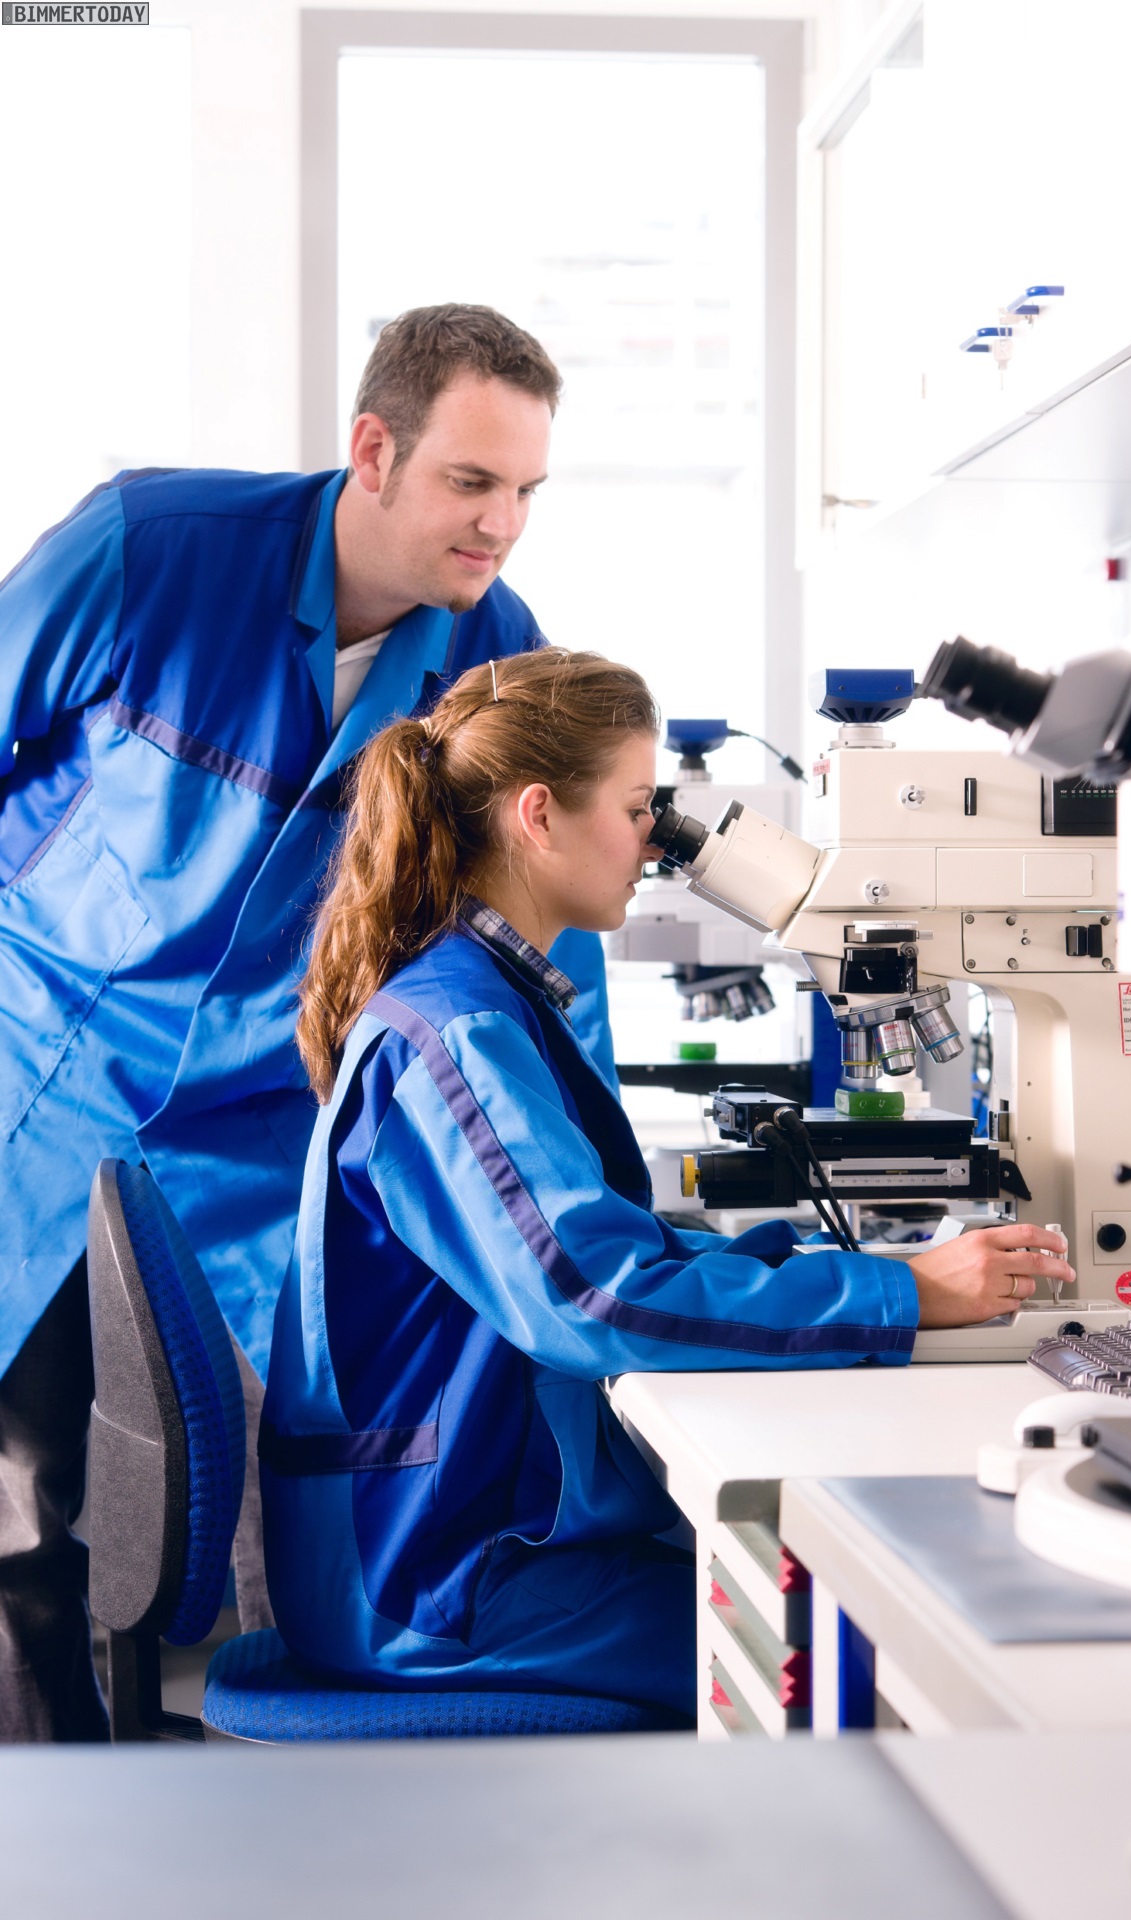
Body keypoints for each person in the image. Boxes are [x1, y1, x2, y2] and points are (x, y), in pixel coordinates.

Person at [0, 303, 611, 1741]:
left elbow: (536, 931)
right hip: (42, 1080)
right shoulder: (148, 551)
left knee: (298, 1512)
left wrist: (583, 1157)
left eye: (526, 490)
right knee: (22, 1511)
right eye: (472, 482)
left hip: (267, 1139)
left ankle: (288, 1823)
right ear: (372, 451)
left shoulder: (495, 658)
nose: (501, 526)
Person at [261, 648, 1074, 1719]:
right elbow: (596, 1294)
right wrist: (901, 1293)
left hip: (452, 1529)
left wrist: (842, 1273)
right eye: (638, 806)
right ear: (539, 816)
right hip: (432, 1579)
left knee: (827, 1589)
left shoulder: (477, 997)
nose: (655, 838)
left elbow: (610, 1246)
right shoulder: (457, 1031)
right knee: (858, 1648)